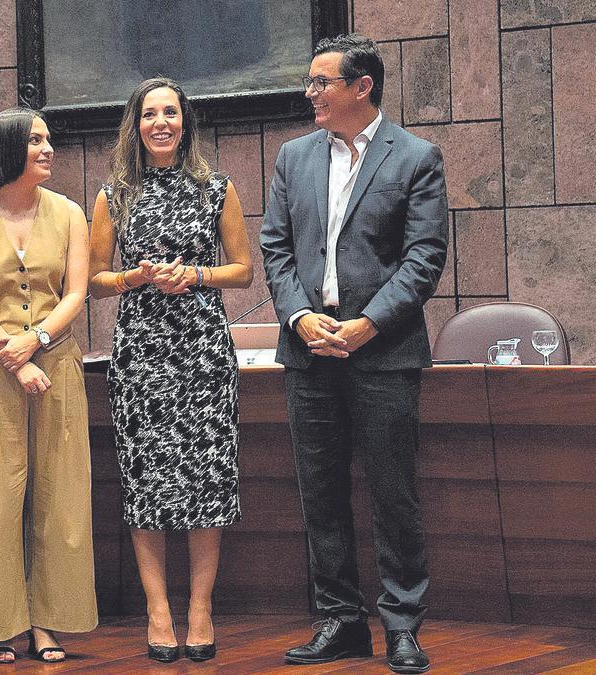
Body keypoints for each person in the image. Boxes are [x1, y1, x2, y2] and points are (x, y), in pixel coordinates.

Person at [259, 33, 448, 674]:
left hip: (383, 351)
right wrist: (299, 314)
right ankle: (339, 621)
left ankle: (401, 625)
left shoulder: (416, 157)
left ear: (361, 86)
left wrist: (367, 324)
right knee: (321, 493)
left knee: (394, 492)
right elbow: (277, 250)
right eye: (310, 82)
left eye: (321, 82)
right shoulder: (294, 157)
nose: (309, 93)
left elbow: (424, 259)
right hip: (309, 350)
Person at [88, 77, 254, 664]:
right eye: (150, 114)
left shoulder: (216, 188)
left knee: (206, 481)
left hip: (203, 352)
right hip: (141, 354)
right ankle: (159, 611)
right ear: (135, 126)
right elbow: (94, 279)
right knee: (146, 485)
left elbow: (243, 270)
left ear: (186, 123)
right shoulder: (114, 196)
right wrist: (135, 277)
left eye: (171, 113)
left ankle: (200, 609)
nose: (162, 123)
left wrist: (197, 275)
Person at [0, 107, 96, 664]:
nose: (48, 149)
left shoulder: (70, 213)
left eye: (48, 139)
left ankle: (47, 622)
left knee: (60, 498)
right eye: (36, 141)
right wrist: (14, 358)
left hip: (56, 366)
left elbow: (77, 294)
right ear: (8, 150)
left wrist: (33, 343)